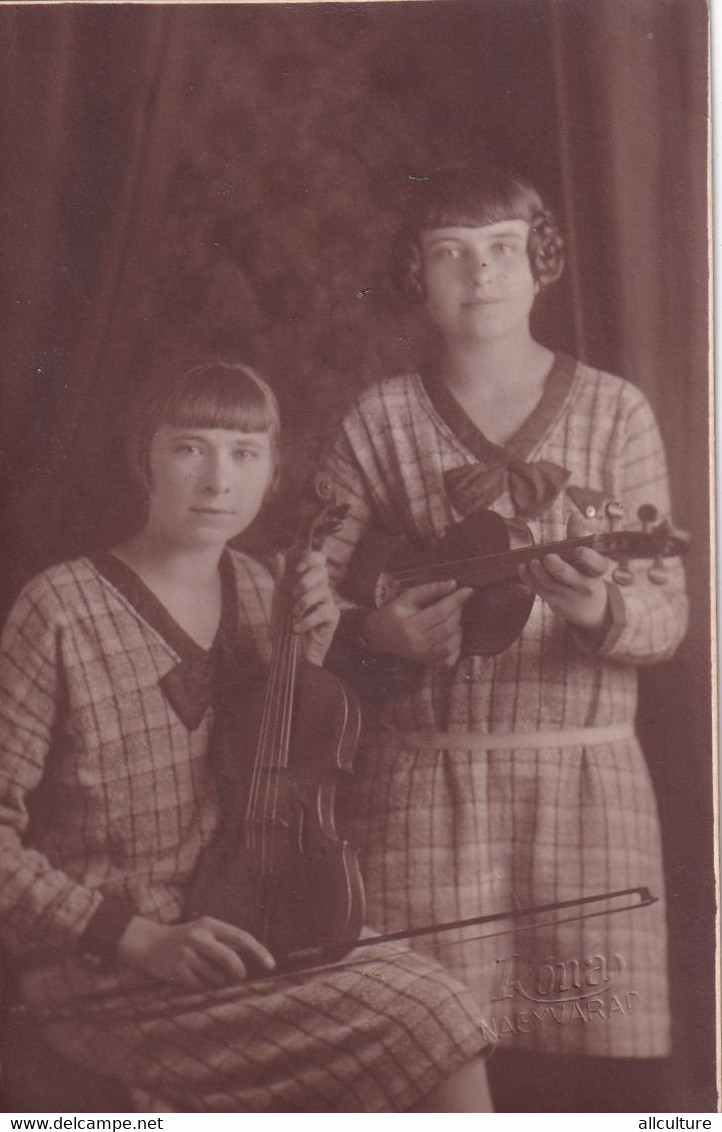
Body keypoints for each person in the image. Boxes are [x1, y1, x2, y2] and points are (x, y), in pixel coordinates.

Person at [0, 360, 494, 1113]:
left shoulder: (270, 589)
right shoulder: (59, 607)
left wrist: (321, 659)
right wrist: (133, 936)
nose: (217, 479)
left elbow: (286, 769)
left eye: (244, 452)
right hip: (106, 972)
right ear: (145, 457)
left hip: (249, 935)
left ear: (272, 471)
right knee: (434, 1014)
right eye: (189, 448)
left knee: (440, 1007)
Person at [317, 165, 688, 1111]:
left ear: (542, 262)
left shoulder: (616, 410)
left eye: (500, 251)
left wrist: (599, 610)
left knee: (579, 1081)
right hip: (420, 793)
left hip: (582, 790)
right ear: (417, 276)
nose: (478, 274)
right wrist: (375, 632)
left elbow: (670, 612)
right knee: (426, 1062)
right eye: (449, 255)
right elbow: (299, 594)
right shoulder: (379, 417)